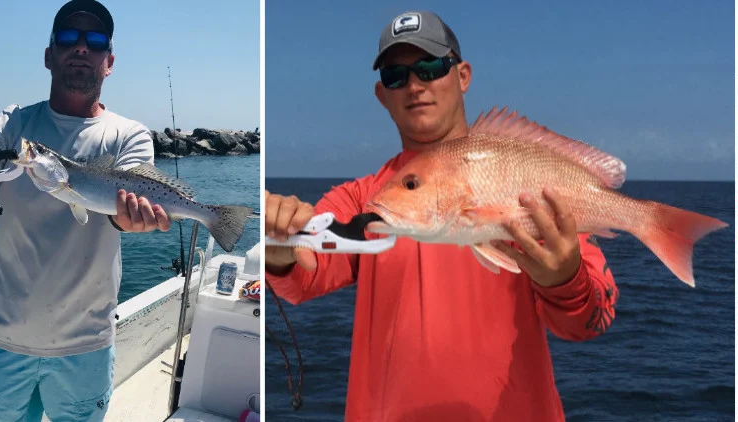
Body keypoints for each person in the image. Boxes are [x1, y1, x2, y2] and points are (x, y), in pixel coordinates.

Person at [263, 10, 618, 422]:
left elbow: (591, 320)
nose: (415, 86)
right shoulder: (365, 199)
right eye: (397, 76)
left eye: (431, 68)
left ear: (463, 76)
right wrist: (280, 245)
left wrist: (564, 277)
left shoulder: (528, 184)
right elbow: (305, 274)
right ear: (382, 94)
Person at [0, 0, 167, 420]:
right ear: (49, 55)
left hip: (87, 346)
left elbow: (124, 210)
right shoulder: (10, 127)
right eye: (68, 37)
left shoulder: (128, 136)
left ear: (109, 61)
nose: (81, 47)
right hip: (1, 342)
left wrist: (132, 218)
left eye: (95, 40)